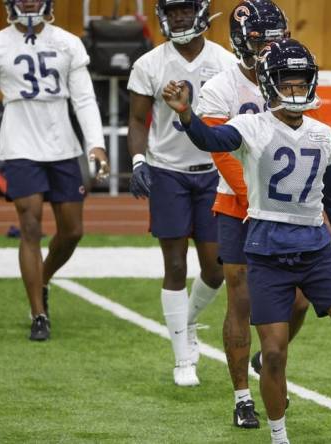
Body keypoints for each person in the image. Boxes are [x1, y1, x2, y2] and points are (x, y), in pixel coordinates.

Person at [163, 39, 331, 444]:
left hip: (316, 246)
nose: (296, 91)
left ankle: (269, 369)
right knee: (275, 354)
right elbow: (212, 141)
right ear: (268, 84)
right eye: (287, 83)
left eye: (301, 82)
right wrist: (188, 116)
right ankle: (279, 436)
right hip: (267, 249)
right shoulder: (250, 126)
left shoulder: (323, 133)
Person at [0, 0, 109, 342]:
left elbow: (83, 99)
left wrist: (96, 143)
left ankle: (43, 278)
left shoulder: (67, 42)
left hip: (62, 143)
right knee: (31, 225)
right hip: (20, 144)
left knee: (72, 231)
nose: (30, 2)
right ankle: (38, 313)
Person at [195, 0, 308, 429]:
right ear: (241, 41)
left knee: (300, 297)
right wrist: (254, 196)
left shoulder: (287, 74)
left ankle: (267, 358)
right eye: (260, 40)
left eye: (275, 39)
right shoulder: (220, 86)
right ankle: (242, 396)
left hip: (288, 202)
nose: (268, 48)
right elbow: (219, 149)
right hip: (238, 202)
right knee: (240, 298)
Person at [126, 0, 237, 387]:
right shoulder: (150, 63)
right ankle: (181, 359)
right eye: (172, 11)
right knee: (174, 265)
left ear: (202, 12)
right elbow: (138, 120)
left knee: (215, 268)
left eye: (186, 9)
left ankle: (186, 322)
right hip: (167, 171)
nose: (179, 17)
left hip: (213, 170)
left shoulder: (224, 62)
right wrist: (139, 161)